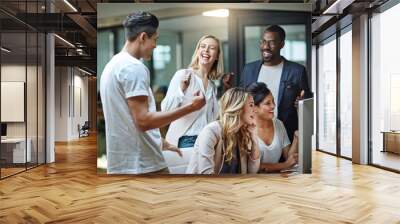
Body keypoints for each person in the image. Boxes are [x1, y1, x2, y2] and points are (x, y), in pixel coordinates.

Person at [99, 11, 205, 174]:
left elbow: (128, 121)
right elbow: (144, 121)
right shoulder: (133, 67)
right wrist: (191, 107)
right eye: (155, 39)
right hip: (143, 166)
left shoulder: (112, 65)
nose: (155, 45)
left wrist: (159, 141)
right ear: (142, 37)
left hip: (123, 165)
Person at [240, 25, 311, 142]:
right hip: (252, 135)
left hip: (286, 136)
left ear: (282, 44)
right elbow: (240, 101)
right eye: (263, 42)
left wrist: (302, 104)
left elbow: (306, 104)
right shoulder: (249, 69)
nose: (265, 47)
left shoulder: (297, 71)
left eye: (271, 43)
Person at [161, 35, 224, 149]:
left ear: (217, 56)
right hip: (186, 139)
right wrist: (181, 90)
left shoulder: (212, 86)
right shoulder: (183, 75)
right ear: (198, 51)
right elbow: (165, 109)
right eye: (203, 46)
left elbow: (213, 118)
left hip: (207, 140)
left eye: (212, 48)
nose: (206, 50)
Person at [186, 87, 260, 175]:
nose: (255, 110)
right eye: (251, 105)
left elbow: (252, 172)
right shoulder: (211, 131)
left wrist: (254, 140)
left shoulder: (241, 134)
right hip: (202, 187)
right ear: (238, 107)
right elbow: (206, 174)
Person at [247, 82, 298, 172]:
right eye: (268, 103)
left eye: (273, 101)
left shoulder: (278, 124)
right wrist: (284, 165)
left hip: (277, 180)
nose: (273, 106)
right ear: (254, 107)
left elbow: (288, 158)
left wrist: (296, 138)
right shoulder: (246, 129)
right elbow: (252, 166)